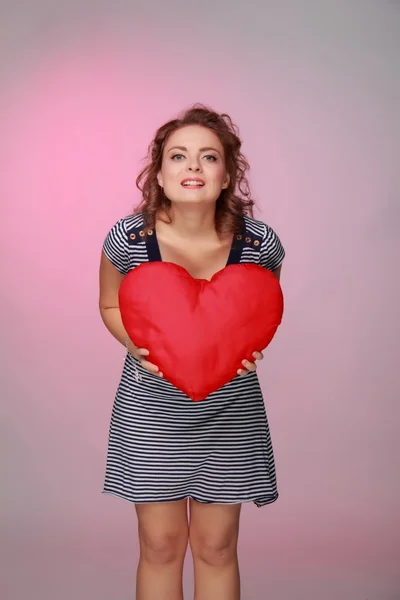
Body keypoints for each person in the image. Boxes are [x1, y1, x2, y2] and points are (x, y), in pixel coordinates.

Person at [99, 104, 285, 600]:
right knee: (159, 546)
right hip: (151, 410)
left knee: (218, 546)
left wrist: (249, 350)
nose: (193, 167)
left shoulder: (260, 243)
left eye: (209, 157)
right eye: (178, 156)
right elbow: (109, 303)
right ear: (159, 172)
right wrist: (135, 345)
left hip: (230, 411)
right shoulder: (130, 239)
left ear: (228, 175)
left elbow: (261, 313)